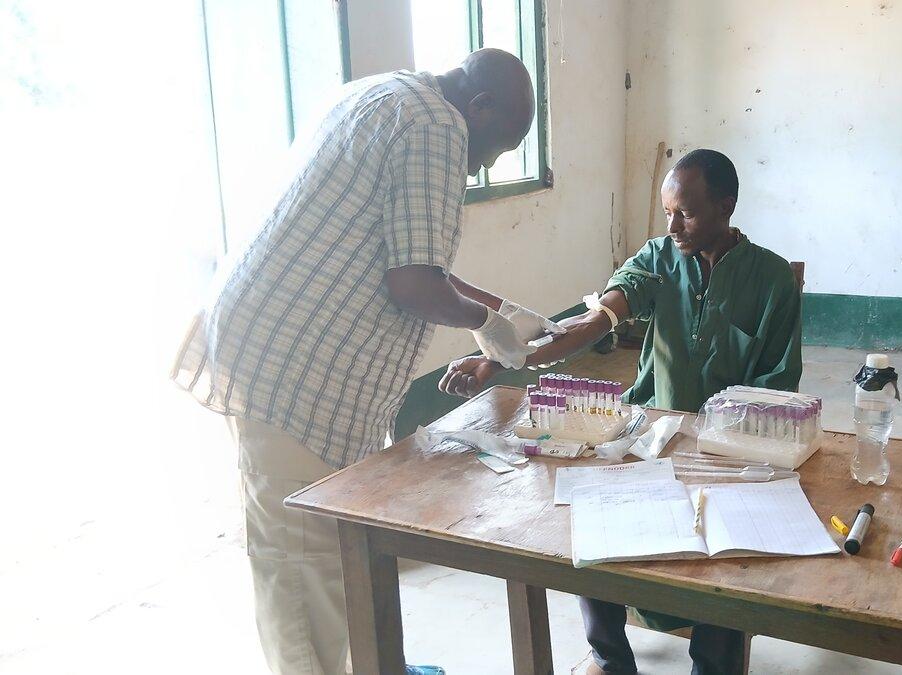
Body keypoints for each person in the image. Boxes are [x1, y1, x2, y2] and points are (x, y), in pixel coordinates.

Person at [172, 49, 561, 675]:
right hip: (291, 373)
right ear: (479, 107)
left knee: (336, 544)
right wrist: (486, 326)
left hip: (280, 349)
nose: (489, 164)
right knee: (304, 560)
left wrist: (504, 307)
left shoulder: (389, 95)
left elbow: (418, 258)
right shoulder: (438, 128)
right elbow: (412, 283)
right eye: (498, 146)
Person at [439, 148, 803, 675]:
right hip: (650, 426)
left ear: (727, 207)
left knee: (727, 550)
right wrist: (502, 359)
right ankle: (609, 658)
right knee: (595, 516)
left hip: (728, 443)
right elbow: (593, 322)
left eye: (688, 213)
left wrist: (721, 435)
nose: (673, 226)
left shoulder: (771, 280)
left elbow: (780, 384)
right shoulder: (659, 259)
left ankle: (715, 664)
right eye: (668, 213)